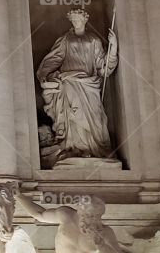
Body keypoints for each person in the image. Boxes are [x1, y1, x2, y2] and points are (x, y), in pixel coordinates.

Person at [37, 8, 118, 160]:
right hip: (69, 82)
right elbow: (54, 59)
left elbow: (103, 67)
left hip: (89, 84)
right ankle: (74, 148)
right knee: (73, 115)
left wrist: (113, 48)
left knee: (95, 116)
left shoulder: (94, 40)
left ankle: (94, 149)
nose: (76, 23)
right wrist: (44, 76)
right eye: (73, 20)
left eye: (78, 20)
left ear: (85, 21)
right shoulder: (65, 39)